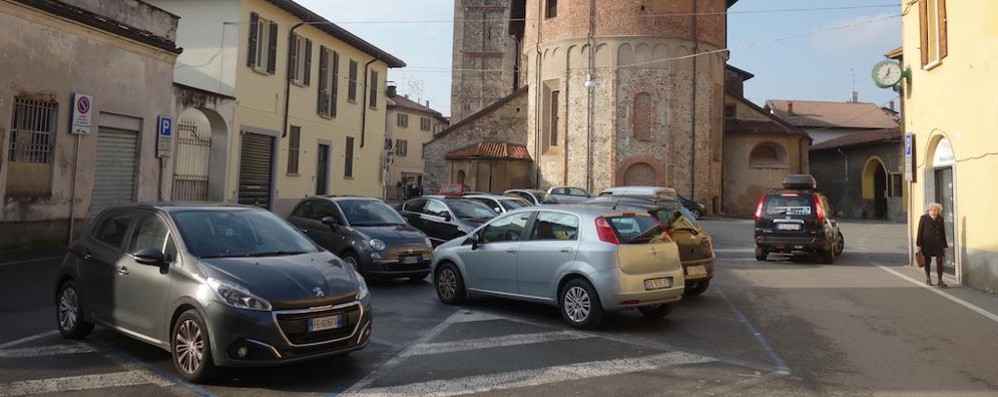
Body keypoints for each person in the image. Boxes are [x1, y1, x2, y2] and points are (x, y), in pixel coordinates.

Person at [916, 202, 948, 287]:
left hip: (938, 243)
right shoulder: (924, 218)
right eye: (932, 210)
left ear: (939, 211)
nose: (934, 212)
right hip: (927, 243)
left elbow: (943, 232)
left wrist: (945, 245)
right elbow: (920, 232)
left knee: (939, 261)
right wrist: (919, 245)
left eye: (936, 210)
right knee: (927, 260)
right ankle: (928, 279)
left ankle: (940, 280)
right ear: (929, 210)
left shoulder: (940, 219)